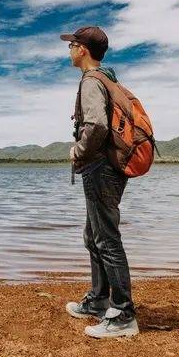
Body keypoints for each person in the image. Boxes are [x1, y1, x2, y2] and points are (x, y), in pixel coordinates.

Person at [60, 26, 139, 339]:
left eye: (72, 45)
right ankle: (98, 300)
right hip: (107, 168)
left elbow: (97, 125)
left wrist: (78, 151)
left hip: (101, 168)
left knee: (106, 239)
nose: (68, 50)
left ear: (82, 49)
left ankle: (123, 315)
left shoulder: (92, 80)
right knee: (94, 236)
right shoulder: (108, 77)